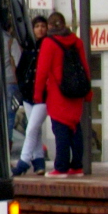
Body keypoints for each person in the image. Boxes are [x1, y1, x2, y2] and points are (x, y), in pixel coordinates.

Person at [34, 11, 91, 177]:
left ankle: (61, 166)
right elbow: (84, 67)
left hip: (58, 94)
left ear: (50, 26)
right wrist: (87, 92)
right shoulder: (77, 42)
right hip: (76, 94)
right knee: (75, 128)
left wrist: (38, 95)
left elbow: (42, 71)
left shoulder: (49, 43)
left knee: (61, 130)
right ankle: (77, 165)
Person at [13, 16, 49, 175]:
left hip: (43, 96)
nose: (40, 29)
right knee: (36, 130)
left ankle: (23, 162)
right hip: (28, 95)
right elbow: (20, 70)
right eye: (37, 26)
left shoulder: (48, 46)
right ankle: (39, 161)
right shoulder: (28, 48)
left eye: (43, 26)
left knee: (31, 128)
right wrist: (22, 87)